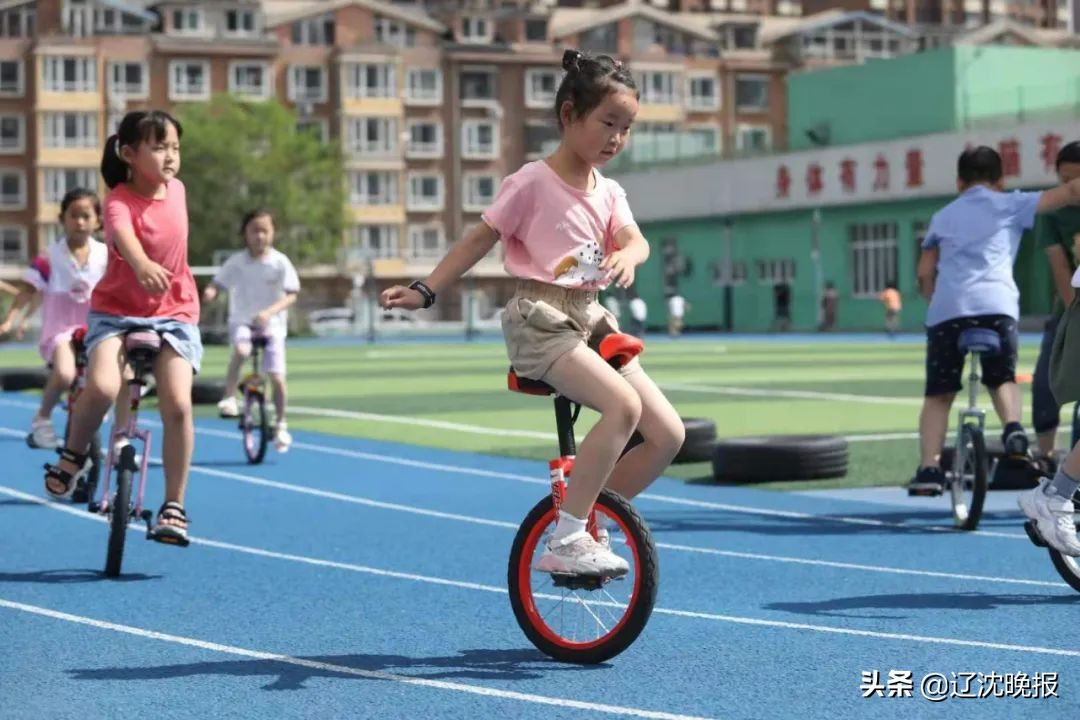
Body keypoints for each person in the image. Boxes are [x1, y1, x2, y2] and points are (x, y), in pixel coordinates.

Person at [380, 49, 685, 576]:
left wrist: (628, 254)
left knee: (668, 434)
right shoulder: (531, 183)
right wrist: (426, 290)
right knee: (622, 409)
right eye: (607, 123)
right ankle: (566, 537)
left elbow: (637, 241)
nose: (616, 138)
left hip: (591, 320)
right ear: (569, 116)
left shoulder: (610, 193)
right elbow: (478, 240)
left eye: (626, 128)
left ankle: (590, 514)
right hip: (539, 319)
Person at [43, 110, 201, 546]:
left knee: (179, 405)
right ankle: (73, 455)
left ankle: (174, 505)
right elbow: (120, 234)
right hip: (116, 312)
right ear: (129, 154)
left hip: (175, 312)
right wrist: (140, 263)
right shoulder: (117, 199)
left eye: (175, 147)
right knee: (103, 386)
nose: (170, 156)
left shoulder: (179, 190)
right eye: (159, 146)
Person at [908, 145, 1080, 502]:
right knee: (1002, 377)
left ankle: (928, 468)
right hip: (997, 307)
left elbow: (926, 272)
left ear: (959, 181)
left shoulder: (943, 216)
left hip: (948, 311)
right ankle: (1014, 430)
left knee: (938, 395)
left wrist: (934, 301)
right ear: (1001, 180)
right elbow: (1069, 192)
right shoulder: (1010, 203)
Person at [0, 189, 131, 450]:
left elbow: (124, 289)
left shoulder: (107, 255)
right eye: (73, 216)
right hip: (61, 329)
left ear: (98, 221)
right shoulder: (49, 257)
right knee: (64, 372)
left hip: (99, 327)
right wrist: (9, 320)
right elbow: (28, 290)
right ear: (62, 219)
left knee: (126, 375)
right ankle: (42, 420)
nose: (80, 222)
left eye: (86, 216)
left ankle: (121, 435)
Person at [203, 209, 300, 452]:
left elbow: (291, 295)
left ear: (273, 233)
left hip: (272, 325)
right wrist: (211, 293)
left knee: (277, 376)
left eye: (265, 231)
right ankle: (228, 397)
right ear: (245, 234)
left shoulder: (280, 262)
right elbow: (218, 283)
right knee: (242, 349)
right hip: (243, 321)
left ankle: (280, 424)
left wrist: (269, 313)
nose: (260, 236)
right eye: (254, 231)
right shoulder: (236, 262)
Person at [1031, 141, 1080, 464]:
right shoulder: (1051, 211)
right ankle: (1047, 456)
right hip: (1068, 310)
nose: (1071, 188)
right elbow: (1060, 267)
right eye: (1065, 180)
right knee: (1046, 382)